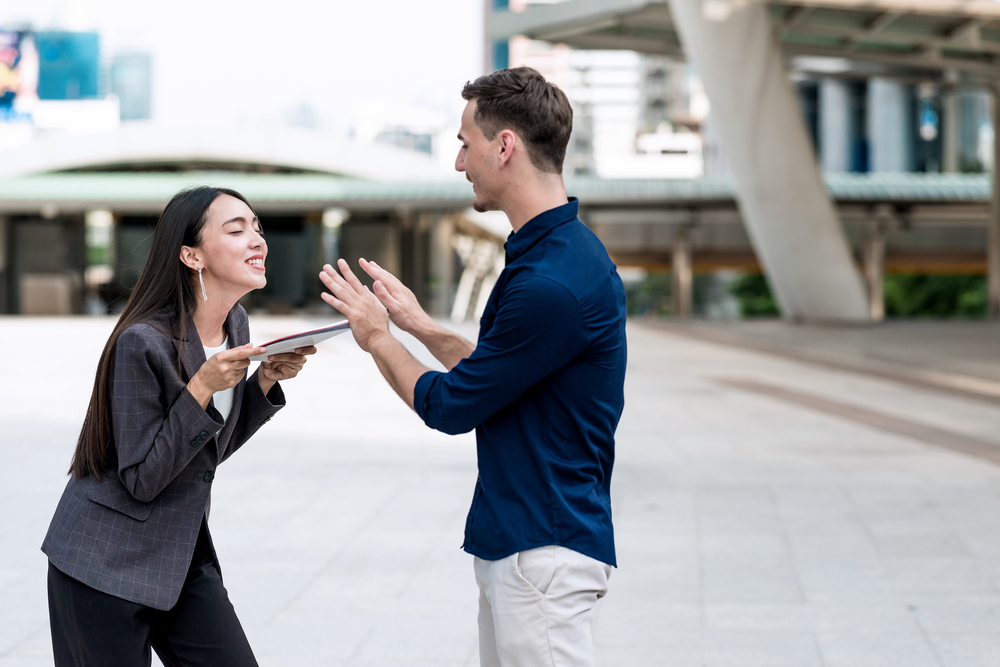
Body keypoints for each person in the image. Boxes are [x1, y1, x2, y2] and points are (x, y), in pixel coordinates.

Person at [319, 66, 627, 667]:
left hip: (543, 550)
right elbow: (498, 375)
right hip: (529, 544)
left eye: (465, 143)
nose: (460, 163)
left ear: (504, 145)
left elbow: (451, 405)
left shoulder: (551, 283)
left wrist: (377, 337)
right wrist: (419, 326)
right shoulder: (554, 257)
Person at [42, 186, 315, 667]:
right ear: (192, 255)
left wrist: (264, 383)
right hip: (100, 566)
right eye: (237, 229)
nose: (258, 240)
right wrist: (201, 388)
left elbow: (205, 452)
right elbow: (143, 479)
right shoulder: (140, 342)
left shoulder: (237, 325)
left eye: (258, 228)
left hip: (179, 556)